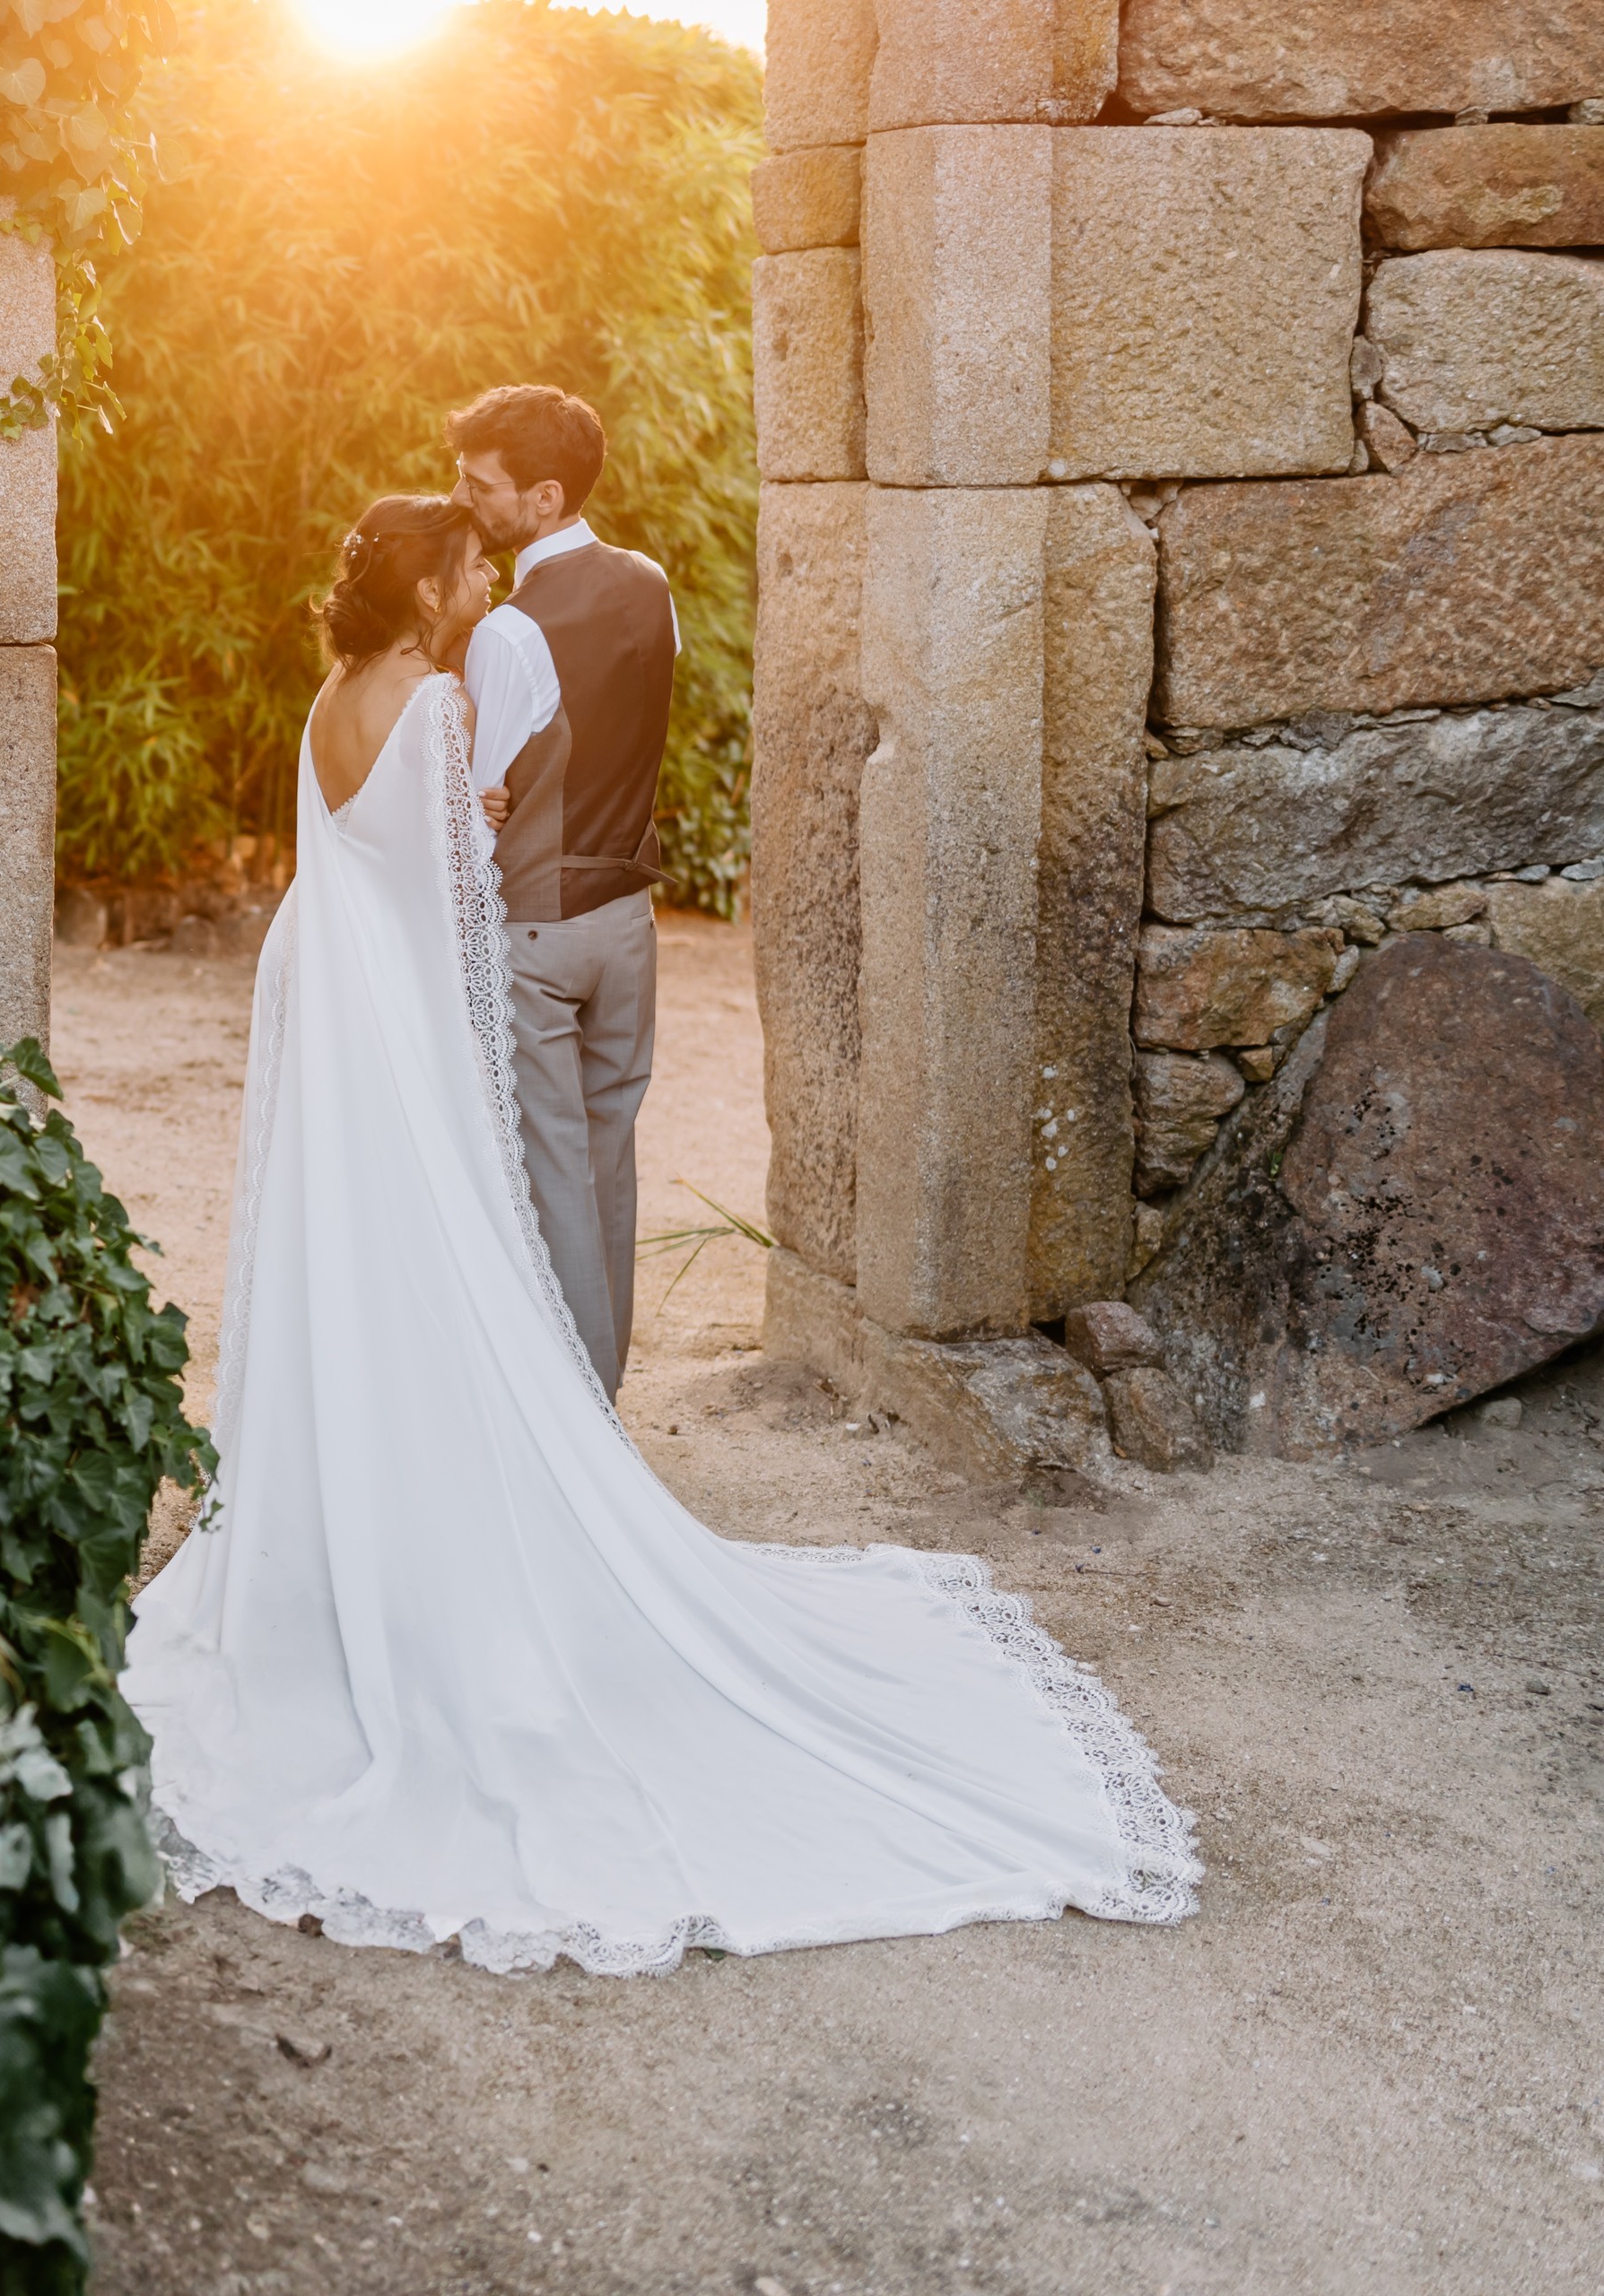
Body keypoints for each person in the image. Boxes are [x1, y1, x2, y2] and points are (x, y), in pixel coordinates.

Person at [117, 491, 1199, 1976]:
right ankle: (459, 1543)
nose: (483, 578)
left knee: (352, 1271)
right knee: (448, 1256)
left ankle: (347, 1522)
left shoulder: (328, 703)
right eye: (469, 566)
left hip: (330, 1008)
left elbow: (355, 867)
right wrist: (477, 897)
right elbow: (458, 906)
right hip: (398, 1013)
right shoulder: (434, 706)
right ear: (432, 587)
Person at [449, 386, 673, 1396]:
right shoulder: (651, 584)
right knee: (608, 1160)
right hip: (630, 924)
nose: (463, 496)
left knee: (552, 1177)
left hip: (537, 932)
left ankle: (581, 1412)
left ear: (543, 497)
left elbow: (481, 800)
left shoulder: (506, 632)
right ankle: (606, 1378)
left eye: (480, 483)